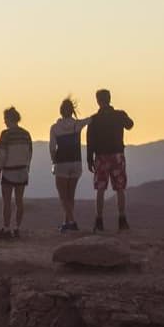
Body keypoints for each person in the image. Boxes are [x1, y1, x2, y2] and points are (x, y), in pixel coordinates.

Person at [86, 88, 135, 231]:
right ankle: (122, 219)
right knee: (120, 188)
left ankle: (99, 220)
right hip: (117, 155)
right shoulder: (119, 115)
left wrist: (89, 159)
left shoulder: (94, 119)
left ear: (98, 101)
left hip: (101, 157)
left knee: (100, 189)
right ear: (109, 98)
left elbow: (90, 141)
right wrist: (123, 116)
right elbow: (130, 125)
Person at [48, 96, 90, 233]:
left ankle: (72, 221)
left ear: (61, 111)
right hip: (76, 162)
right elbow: (89, 120)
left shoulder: (55, 128)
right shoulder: (77, 125)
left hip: (62, 163)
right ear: (72, 111)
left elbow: (52, 148)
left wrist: (53, 161)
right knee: (70, 195)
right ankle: (66, 222)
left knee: (63, 196)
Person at [0, 107, 33, 239]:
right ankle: (17, 228)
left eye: (5, 119)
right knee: (19, 201)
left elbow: (1, 153)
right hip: (22, 171)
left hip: (9, 172)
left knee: (7, 202)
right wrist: (27, 167)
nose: (4, 121)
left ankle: (6, 228)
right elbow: (29, 153)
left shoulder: (6, 134)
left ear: (9, 119)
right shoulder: (26, 134)